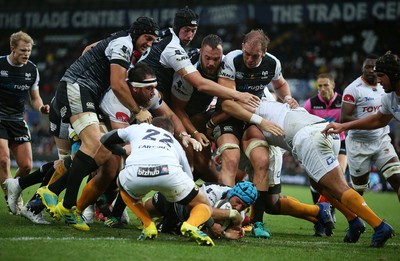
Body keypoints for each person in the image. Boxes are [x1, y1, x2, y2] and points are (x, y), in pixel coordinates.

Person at [35, 17, 160, 231]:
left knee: (102, 153)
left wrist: (87, 63)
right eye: (147, 38)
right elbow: (117, 84)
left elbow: (90, 48)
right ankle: (66, 204)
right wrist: (138, 111)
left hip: (85, 92)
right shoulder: (124, 44)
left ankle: (53, 192)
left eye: (153, 40)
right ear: (137, 33)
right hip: (77, 88)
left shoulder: (120, 41)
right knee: (94, 146)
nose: (149, 43)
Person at [221, 97, 395, 248]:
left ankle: (379, 226)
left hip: (310, 137)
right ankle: (353, 220)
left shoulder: (254, 108)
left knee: (339, 187)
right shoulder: (278, 106)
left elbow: (227, 105)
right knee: (319, 185)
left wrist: (213, 123)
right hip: (322, 132)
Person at [210, 29, 298, 238]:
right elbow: (228, 103)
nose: (249, 59)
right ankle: (224, 218)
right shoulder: (231, 60)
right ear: (242, 48)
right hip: (229, 119)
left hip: (252, 119)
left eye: (255, 55)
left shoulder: (272, 63)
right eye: (247, 53)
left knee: (262, 160)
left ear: (264, 53)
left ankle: (257, 223)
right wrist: (262, 121)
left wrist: (286, 98)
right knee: (231, 161)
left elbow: (281, 83)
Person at [100, 116, 215, 246]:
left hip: (137, 175)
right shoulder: (173, 141)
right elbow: (188, 175)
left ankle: (147, 224)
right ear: (171, 133)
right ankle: (191, 225)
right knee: (203, 204)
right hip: (169, 174)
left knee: (124, 186)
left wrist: (119, 151)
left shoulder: (140, 128)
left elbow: (104, 138)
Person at [138, 6, 259, 107]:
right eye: (186, 30)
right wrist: (239, 95)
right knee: (170, 118)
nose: (190, 35)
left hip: (142, 87)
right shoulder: (173, 48)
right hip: (146, 93)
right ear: (177, 27)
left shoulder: (165, 34)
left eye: (193, 30)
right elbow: (200, 84)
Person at [324, 51, 400, 203]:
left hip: (381, 141)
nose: (378, 80)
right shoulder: (388, 97)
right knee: (358, 190)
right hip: (359, 144)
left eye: (381, 75)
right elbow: (377, 120)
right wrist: (343, 126)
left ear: (394, 75)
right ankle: (351, 219)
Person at [0, 31, 50, 214]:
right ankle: (10, 195)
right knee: (3, 160)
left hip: (17, 120)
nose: (26, 54)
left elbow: (35, 98)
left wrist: (41, 108)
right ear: (12, 49)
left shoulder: (32, 69)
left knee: (27, 166)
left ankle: (14, 188)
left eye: (28, 51)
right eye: (22, 50)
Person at [170, 34, 223, 182]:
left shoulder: (227, 67)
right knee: (189, 163)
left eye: (216, 59)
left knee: (203, 166)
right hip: (177, 115)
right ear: (200, 53)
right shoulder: (188, 70)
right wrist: (194, 133)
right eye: (207, 58)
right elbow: (177, 109)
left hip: (201, 115)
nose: (211, 63)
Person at [304, 73, 347, 234]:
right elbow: (302, 121)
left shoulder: (343, 102)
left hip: (340, 142)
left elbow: (350, 120)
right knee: (316, 181)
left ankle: (328, 210)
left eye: (325, 85)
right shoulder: (312, 103)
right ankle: (320, 218)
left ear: (333, 85)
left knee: (338, 177)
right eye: (319, 86)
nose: (322, 89)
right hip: (319, 146)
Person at [144, 181, 257, 240]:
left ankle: (170, 224)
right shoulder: (214, 191)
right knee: (147, 211)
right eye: (238, 202)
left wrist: (226, 234)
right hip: (178, 200)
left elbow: (214, 232)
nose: (238, 207)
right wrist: (231, 214)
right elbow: (201, 209)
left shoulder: (240, 214)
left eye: (243, 206)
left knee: (174, 230)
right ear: (232, 193)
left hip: (186, 216)